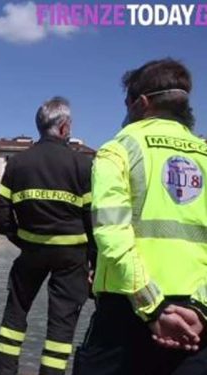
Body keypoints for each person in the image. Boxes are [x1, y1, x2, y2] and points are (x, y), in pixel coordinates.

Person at [73, 58, 207, 374]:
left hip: (127, 311)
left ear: (141, 103)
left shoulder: (118, 150)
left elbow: (112, 234)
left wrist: (155, 308)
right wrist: (200, 310)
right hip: (196, 321)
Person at [0, 97, 94, 375]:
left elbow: (1, 219)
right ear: (63, 128)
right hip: (73, 257)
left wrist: (24, 241)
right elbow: (93, 221)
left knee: (15, 316)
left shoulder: (17, 164)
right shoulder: (82, 165)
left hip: (31, 253)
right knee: (60, 327)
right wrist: (95, 264)